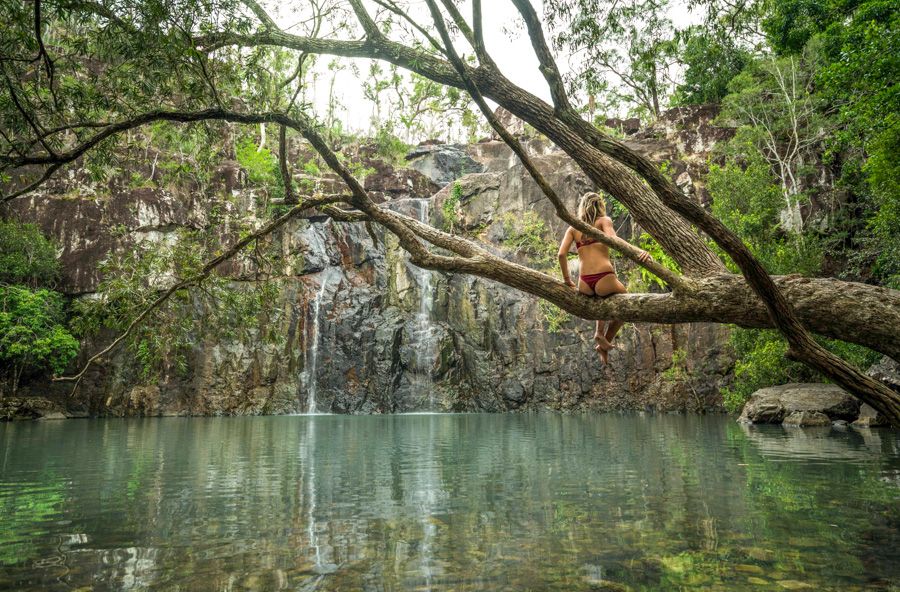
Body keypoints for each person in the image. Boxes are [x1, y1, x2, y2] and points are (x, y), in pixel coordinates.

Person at [557, 192, 650, 364]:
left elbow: (561, 254)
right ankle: (604, 337)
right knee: (626, 306)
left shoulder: (573, 228)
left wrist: (566, 279)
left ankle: (600, 337)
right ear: (599, 205)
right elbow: (614, 240)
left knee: (601, 300)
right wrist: (638, 252)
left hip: (584, 283)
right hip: (604, 277)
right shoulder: (603, 221)